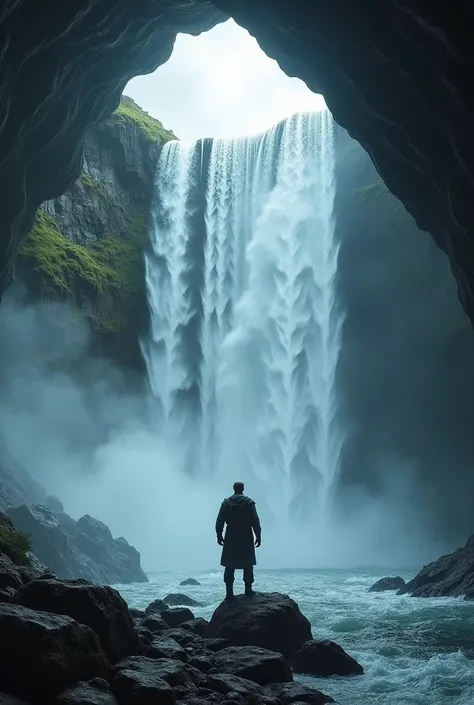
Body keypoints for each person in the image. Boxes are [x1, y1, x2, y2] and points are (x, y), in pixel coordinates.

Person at [215, 481, 262, 600]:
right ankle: (248, 590)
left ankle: (229, 593)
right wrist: (258, 535)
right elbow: (255, 521)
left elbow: (219, 521)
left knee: (229, 565)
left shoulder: (226, 503)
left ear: (233, 489)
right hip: (246, 535)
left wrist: (219, 535)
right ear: (243, 489)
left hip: (230, 536)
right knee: (248, 564)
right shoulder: (249, 503)